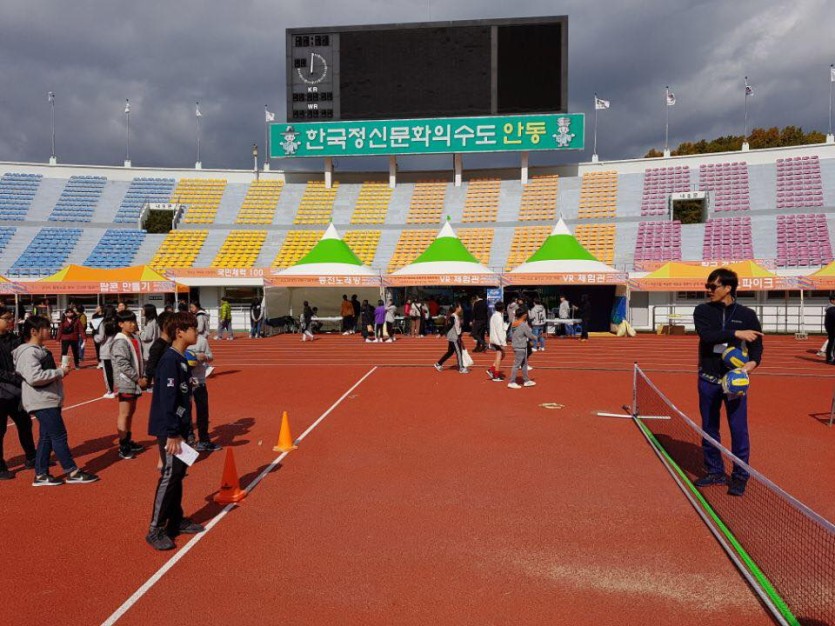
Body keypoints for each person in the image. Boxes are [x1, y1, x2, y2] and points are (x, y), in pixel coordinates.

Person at [693, 268, 763, 497]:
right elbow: (707, 336)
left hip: (735, 380)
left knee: (738, 428)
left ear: (728, 288)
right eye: (707, 286)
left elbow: (757, 345)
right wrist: (736, 333)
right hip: (709, 379)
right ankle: (715, 471)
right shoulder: (702, 311)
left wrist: (752, 364)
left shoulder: (747, 314)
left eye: (713, 286)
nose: (709, 290)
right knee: (709, 427)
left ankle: (740, 476)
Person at [13, 315, 98, 486]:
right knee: (59, 436)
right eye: (45, 328)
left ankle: (41, 474)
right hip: (41, 400)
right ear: (34, 331)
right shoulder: (29, 352)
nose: (49, 330)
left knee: (46, 437)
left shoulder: (39, 350)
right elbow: (34, 377)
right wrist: (59, 372)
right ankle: (71, 471)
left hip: (47, 398)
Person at [145, 312, 205, 550]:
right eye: (193, 328)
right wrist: (172, 433)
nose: (196, 332)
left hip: (180, 427)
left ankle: (175, 519)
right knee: (170, 475)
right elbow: (168, 399)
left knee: (178, 474)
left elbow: (181, 397)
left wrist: (187, 429)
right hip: (170, 429)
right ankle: (155, 528)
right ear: (179, 332)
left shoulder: (180, 359)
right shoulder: (170, 360)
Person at [0, 306, 36, 479]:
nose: (10, 321)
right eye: (6, 318)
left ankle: (31, 457)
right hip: (1, 393)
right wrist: (14, 377)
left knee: (25, 424)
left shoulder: (15, 339)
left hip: (16, 392)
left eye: (11, 318)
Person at [111, 310, 147, 460]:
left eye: (134, 321)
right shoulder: (120, 341)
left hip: (133, 381)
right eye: (130, 322)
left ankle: (128, 439)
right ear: (121, 324)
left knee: (130, 412)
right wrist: (137, 378)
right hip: (126, 382)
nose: (133, 324)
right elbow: (123, 364)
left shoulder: (134, 337)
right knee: (124, 413)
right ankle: (123, 445)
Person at [187, 325, 221, 452]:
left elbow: (210, 357)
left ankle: (204, 440)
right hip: (185, 381)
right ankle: (189, 439)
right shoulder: (180, 340)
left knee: (202, 411)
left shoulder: (202, 340)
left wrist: (205, 357)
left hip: (200, 381)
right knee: (186, 412)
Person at [433, 302, 468, 373]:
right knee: (459, 352)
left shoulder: (457, 316)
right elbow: (448, 326)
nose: (461, 308)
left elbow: (458, 328)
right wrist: (441, 334)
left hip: (456, 337)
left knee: (450, 352)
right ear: (456, 308)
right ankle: (461, 368)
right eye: (460, 307)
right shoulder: (453, 317)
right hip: (454, 337)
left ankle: (438, 364)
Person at [507, 306, 536, 389]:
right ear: (523, 315)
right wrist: (536, 337)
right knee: (517, 365)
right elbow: (529, 335)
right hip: (521, 346)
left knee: (524, 364)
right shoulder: (523, 324)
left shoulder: (514, 323)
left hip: (516, 345)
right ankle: (512, 381)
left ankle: (526, 380)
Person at [145, 312, 172, 387]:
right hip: (162, 385)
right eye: (174, 324)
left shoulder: (173, 343)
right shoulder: (158, 346)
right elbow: (150, 369)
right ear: (165, 326)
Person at [97, 305, 118, 398]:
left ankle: (110, 391)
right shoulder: (118, 322)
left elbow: (101, 337)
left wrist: (95, 336)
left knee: (108, 372)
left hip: (106, 350)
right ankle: (119, 389)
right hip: (117, 349)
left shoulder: (104, 323)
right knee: (117, 370)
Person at [487, 301, 507, 382]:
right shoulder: (498, 317)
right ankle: (496, 375)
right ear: (503, 309)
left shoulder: (494, 316)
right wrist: (503, 343)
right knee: (499, 356)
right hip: (498, 340)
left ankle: (492, 369)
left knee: (502, 355)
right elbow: (499, 331)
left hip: (495, 339)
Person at [825, 294, 835, 364]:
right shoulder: (831, 309)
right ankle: (830, 358)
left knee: (832, 343)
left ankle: (830, 358)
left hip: (831, 329)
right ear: (832, 300)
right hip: (833, 329)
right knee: (832, 344)